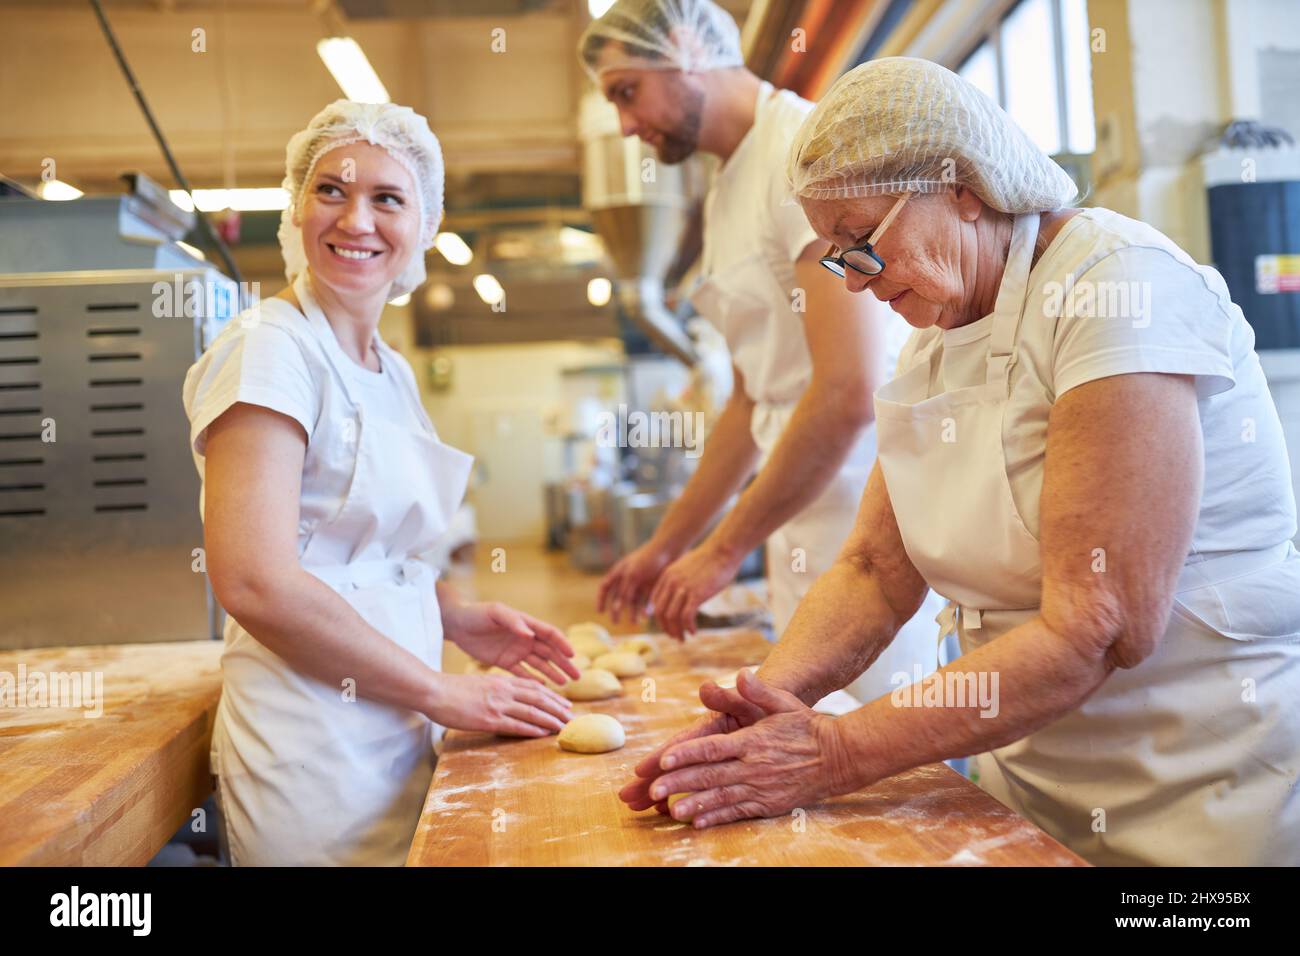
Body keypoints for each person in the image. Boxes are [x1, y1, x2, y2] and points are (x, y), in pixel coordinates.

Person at [618, 57, 1300, 866]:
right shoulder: (931, 349)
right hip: (1030, 788)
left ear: (964, 185)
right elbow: (873, 570)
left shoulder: (1117, 292)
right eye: (836, 258)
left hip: (1205, 793)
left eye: (861, 243)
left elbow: (1101, 623)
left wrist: (835, 755)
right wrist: (766, 705)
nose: (857, 283)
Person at [183, 101, 577, 866]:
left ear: (422, 221)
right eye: (331, 190)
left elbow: (363, 549)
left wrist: (453, 616)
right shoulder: (269, 351)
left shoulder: (389, 369)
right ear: (297, 207)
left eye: (386, 198)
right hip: (313, 749)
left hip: (396, 721)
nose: (355, 220)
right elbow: (256, 581)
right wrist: (444, 693)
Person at [581, 0, 942, 704]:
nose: (626, 125)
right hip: (797, 522)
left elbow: (847, 391)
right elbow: (751, 401)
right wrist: (668, 547)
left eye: (627, 92)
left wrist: (721, 551)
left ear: (685, 47)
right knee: (813, 751)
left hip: (870, 528)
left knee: (889, 769)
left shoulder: (800, 151)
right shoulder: (723, 193)